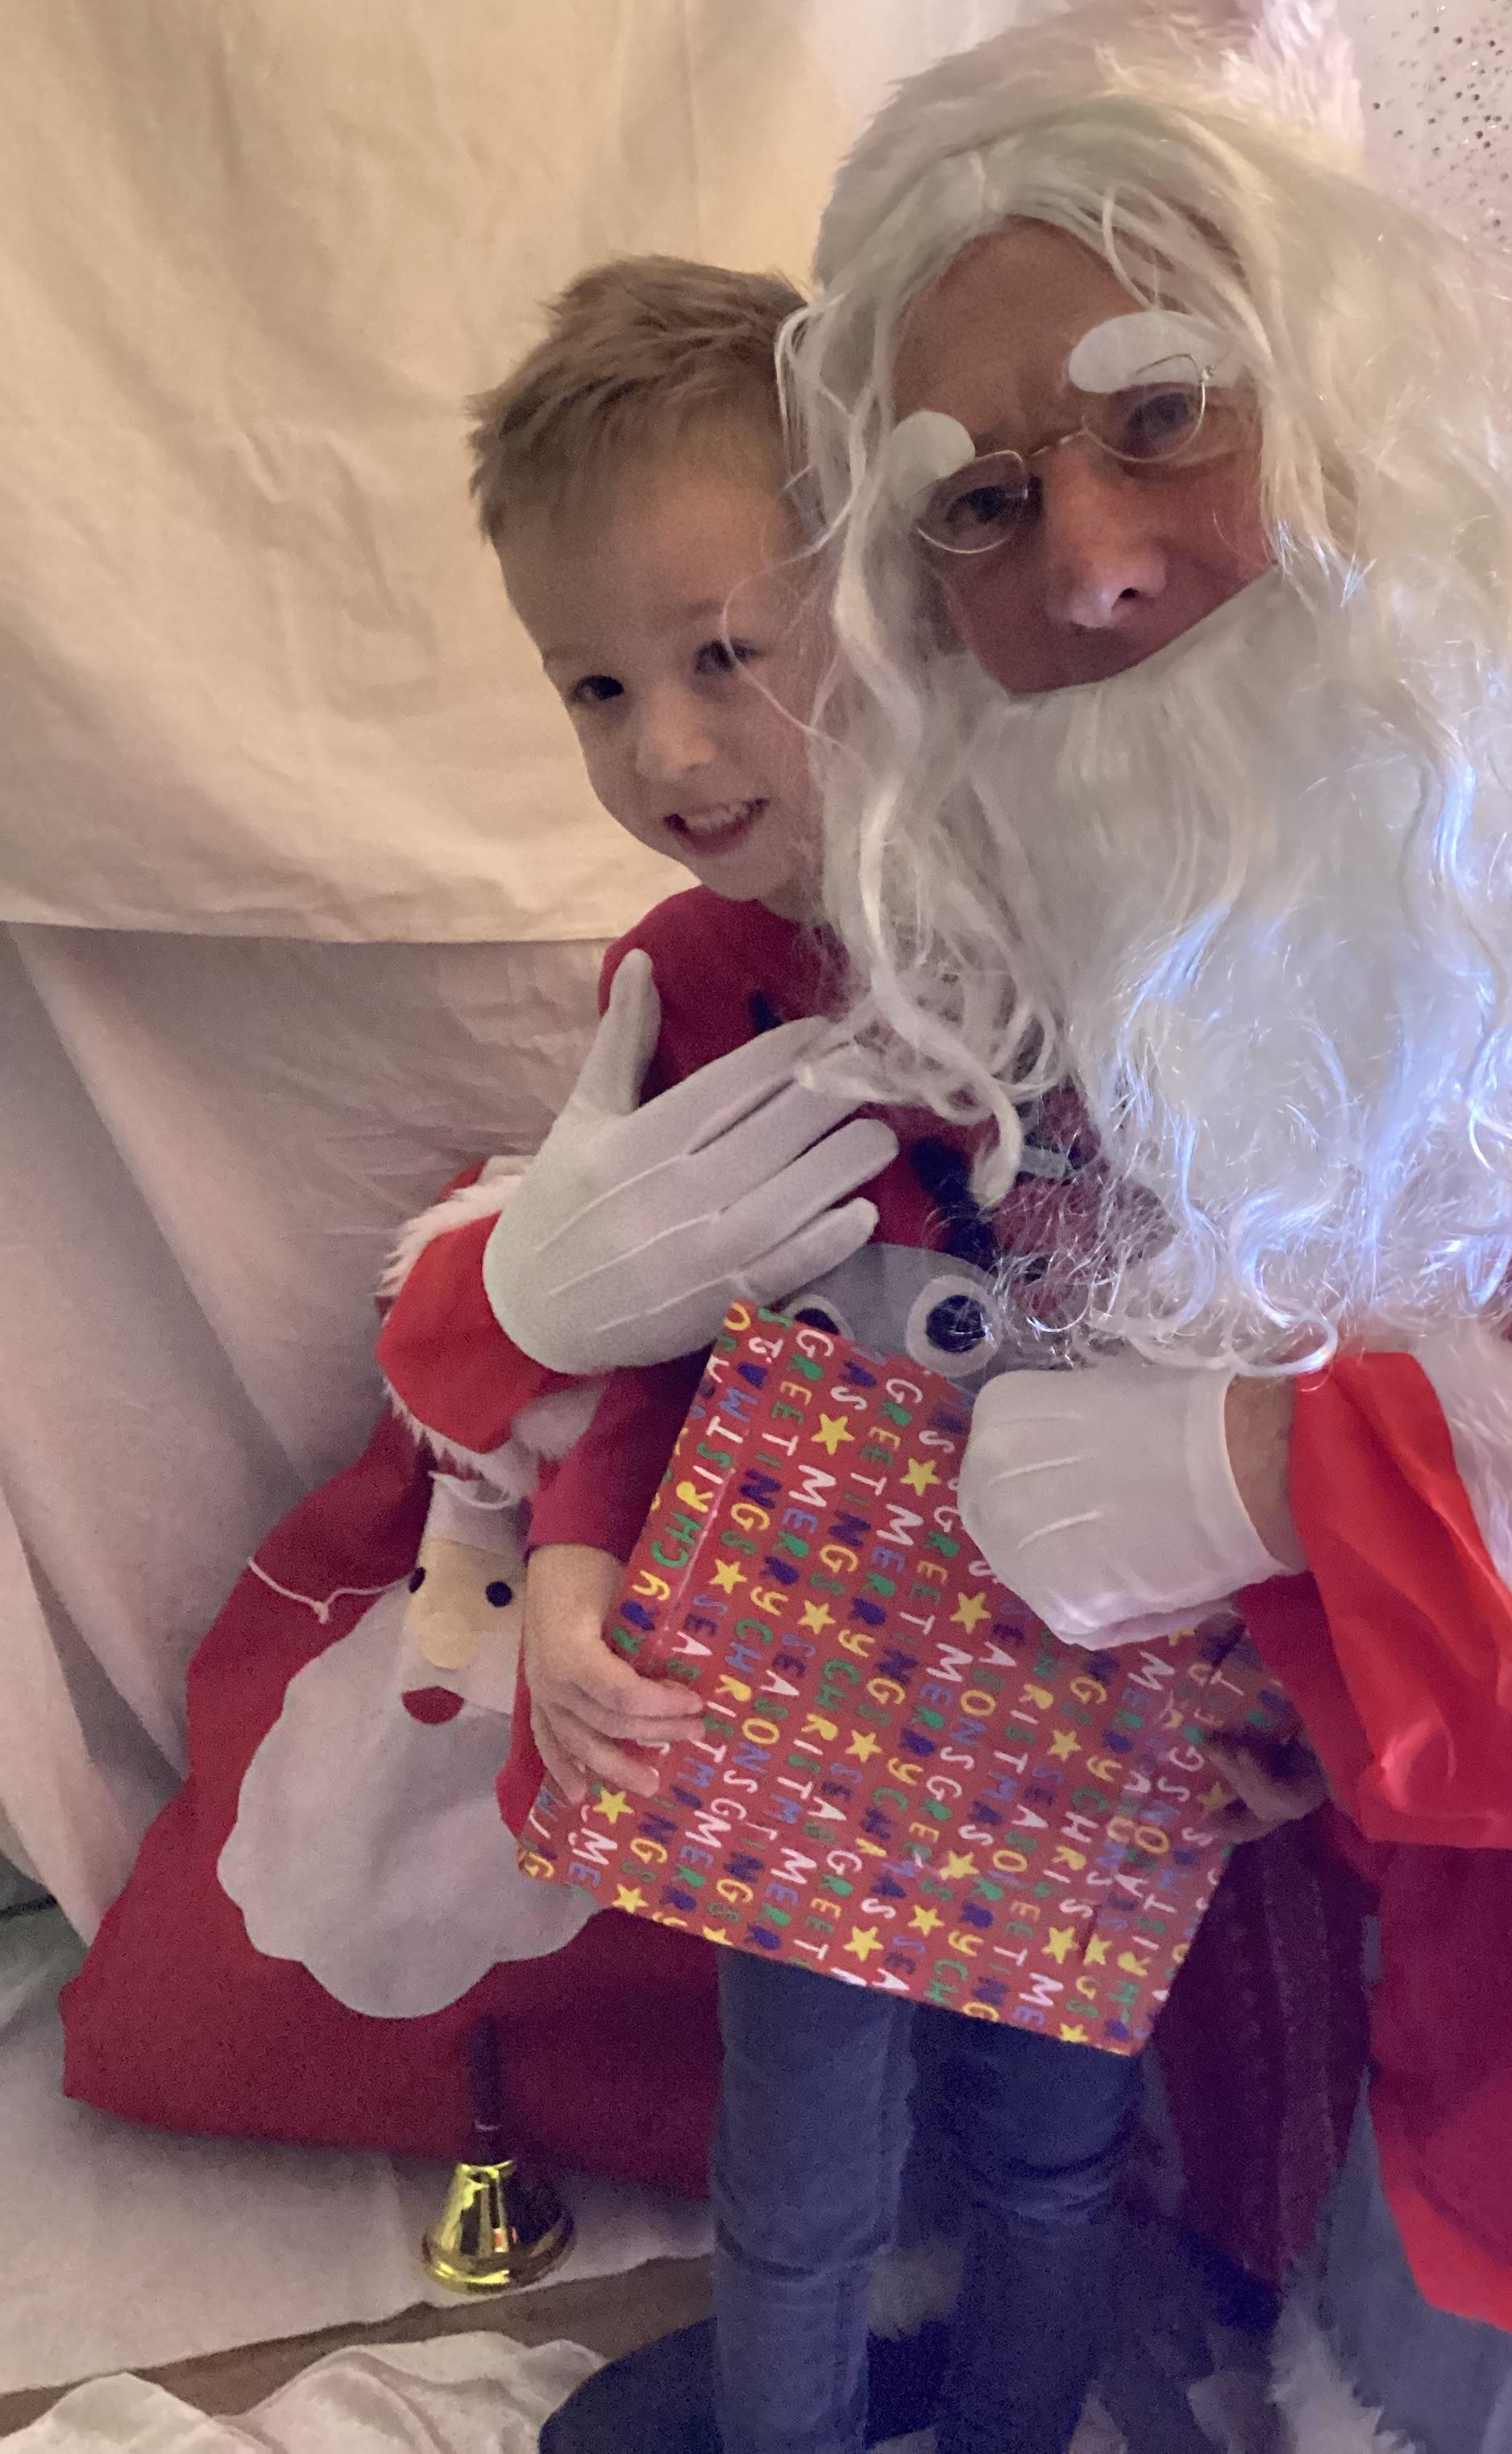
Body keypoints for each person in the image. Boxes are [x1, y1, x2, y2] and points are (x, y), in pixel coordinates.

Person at [767, 0, 1512, 2453]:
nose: (1093, 562)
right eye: (983, 502)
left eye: (1160, 414)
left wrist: (1277, 1483)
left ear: (1362, 386)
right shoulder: (1041, 822)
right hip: (1250, 1822)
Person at [375, 255, 1151, 2454]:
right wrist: (579, 1566)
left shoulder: (1118, 912)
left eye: (726, 653)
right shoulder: (686, 974)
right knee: (798, 2171)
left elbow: (1263, 1309)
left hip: (1085, 1680)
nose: (663, 749)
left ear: (891, 597)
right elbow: (649, 1348)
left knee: (1056, 2143)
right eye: (596, 685)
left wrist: (1284, 1650)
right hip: (793, 1689)